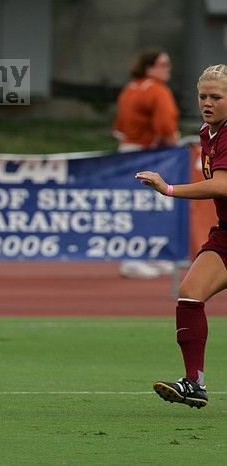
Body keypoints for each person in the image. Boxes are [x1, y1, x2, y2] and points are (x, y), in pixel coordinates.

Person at [135, 64, 227, 409]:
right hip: (226, 235)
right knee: (190, 293)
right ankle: (194, 382)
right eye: (203, 96)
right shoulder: (209, 133)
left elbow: (222, 185)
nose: (207, 102)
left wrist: (168, 188)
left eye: (216, 97)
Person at [114, 48, 181, 279]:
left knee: (136, 205)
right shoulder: (157, 91)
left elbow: (119, 129)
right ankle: (134, 258)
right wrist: (175, 146)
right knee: (147, 206)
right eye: (163, 65)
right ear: (149, 67)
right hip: (149, 154)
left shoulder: (129, 89)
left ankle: (149, 254)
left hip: (126, 152)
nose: (168, 69)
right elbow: (165, 127)